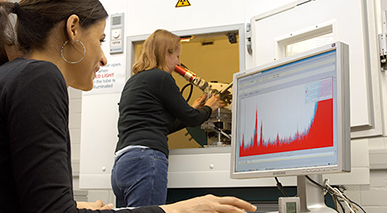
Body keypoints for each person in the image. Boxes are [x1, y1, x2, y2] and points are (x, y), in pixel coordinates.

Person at [0, 1, 257, 213]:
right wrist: (179, 209)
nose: (103, 58)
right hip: (148, 159)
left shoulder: (11, 76)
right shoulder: (39, 77)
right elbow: (189, 118)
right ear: (73, 28)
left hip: (122, 162)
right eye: (100, 39)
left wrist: (76, 207)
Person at [111, 29, 225, 208]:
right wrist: (210, 107)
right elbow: (193, 120)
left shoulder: (134, 81)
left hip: (122, 163)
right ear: (166, 53)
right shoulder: (161, 77)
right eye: (177, 56)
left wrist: (194, 109)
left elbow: (161, 126)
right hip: (146, 160)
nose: (178, 62)